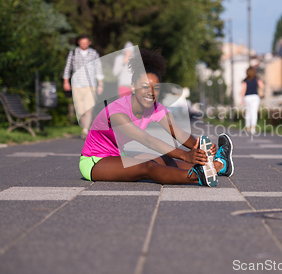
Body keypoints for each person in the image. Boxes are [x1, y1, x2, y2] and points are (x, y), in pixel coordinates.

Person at [79, 47, 234, 186]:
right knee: (148, 167)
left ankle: (219, 165)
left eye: (156, 88)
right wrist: (185, 156)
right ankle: (196, 176)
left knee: (164, 160)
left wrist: (200, 150)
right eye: (145, 86)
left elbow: (179, 134)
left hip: (119, 155)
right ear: (133, 86)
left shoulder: (156, 108)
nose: (151, 92)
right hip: (95, 161)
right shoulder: (117, 112)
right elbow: (147, 140)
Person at [63, 34, 105, 139]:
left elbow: (98, 68)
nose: (84, 45)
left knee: (89, 108)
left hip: (90, 85)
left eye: (86, 43)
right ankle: (85, 126)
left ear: (89, 43)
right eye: (82, 43)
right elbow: (68, 67)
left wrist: (100, 83)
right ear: (79, 43)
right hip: (76, 84)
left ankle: (85, 129)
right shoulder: (73, 53)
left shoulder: (94, 53)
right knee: (80, 109)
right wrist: (66, 81)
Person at [241, 67, 265, 134]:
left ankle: (247, 127)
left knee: (248, 112)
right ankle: (253, 128)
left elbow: (243, 90)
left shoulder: (245, 80)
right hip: (255, 96)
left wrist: (242, 99)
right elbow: (262, 86)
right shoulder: (257, 79)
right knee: (254, 112)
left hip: (247, 97)